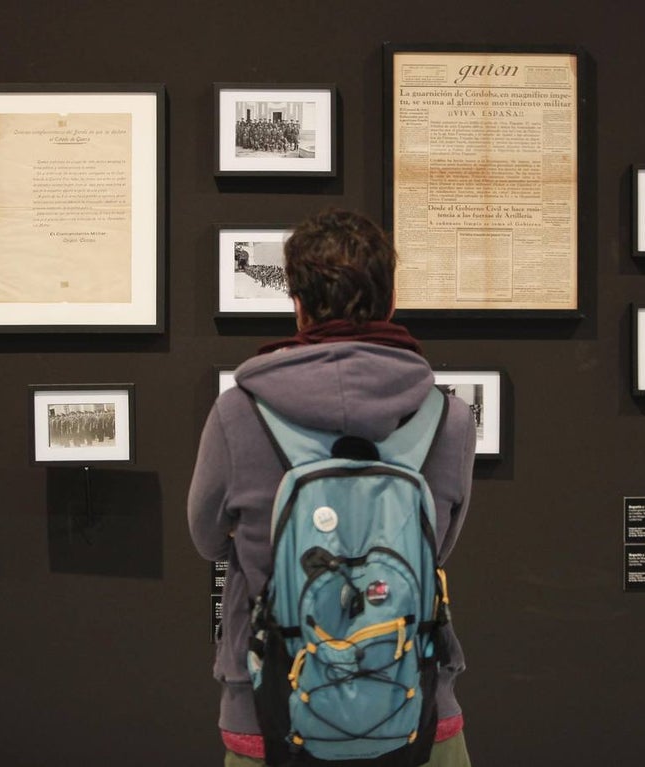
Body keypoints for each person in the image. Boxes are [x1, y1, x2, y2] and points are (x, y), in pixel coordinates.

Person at [188, 208, 477, 767]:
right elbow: (436, 547)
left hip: (269, 706)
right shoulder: (449, 418)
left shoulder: (238, 413)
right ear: (391, 303)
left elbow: (206, 539)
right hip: (414, 702)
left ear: (298, 305)